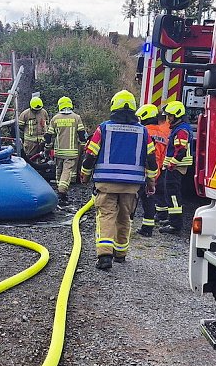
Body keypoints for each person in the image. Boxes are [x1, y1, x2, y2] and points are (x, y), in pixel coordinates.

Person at [80, 90, 158, 270]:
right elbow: (151, 159)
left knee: (106, 216)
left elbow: (91, 154)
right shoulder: (143, 132)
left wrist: (85, 173)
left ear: (113, 106)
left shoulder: (104, 128)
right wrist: (151, 181)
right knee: (125, 218)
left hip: (106, 183)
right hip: (131, 186)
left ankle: (105, 255)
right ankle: (121, 254)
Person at [44, 96, 86, 207]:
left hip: (58, 151)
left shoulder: (55, 118)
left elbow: (48, 136)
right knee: (67, 172)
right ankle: (62, 191)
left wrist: (47, 148)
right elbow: (82, 134)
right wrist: (83, 146)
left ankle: (60, 191)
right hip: (71, 152)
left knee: (59, 170)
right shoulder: (76, 118)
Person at [134, 103, 169, 236]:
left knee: (132, 199)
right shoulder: (164, 133)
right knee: (149, 200)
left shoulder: (143, 131)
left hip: (141, 170)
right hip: (157, 172)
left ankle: (126, 226)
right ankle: (148, 228)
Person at [159, 100, 193, 235]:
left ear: (177, 116)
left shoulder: (181, 131)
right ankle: (172, 219)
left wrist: (172, 164)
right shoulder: (180, 128)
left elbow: (181, 150)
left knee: (173, 194)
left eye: (170, 116)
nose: (168, 119)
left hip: (176, 167)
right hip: (176, 167)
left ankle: (175, 224)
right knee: (171, 193)